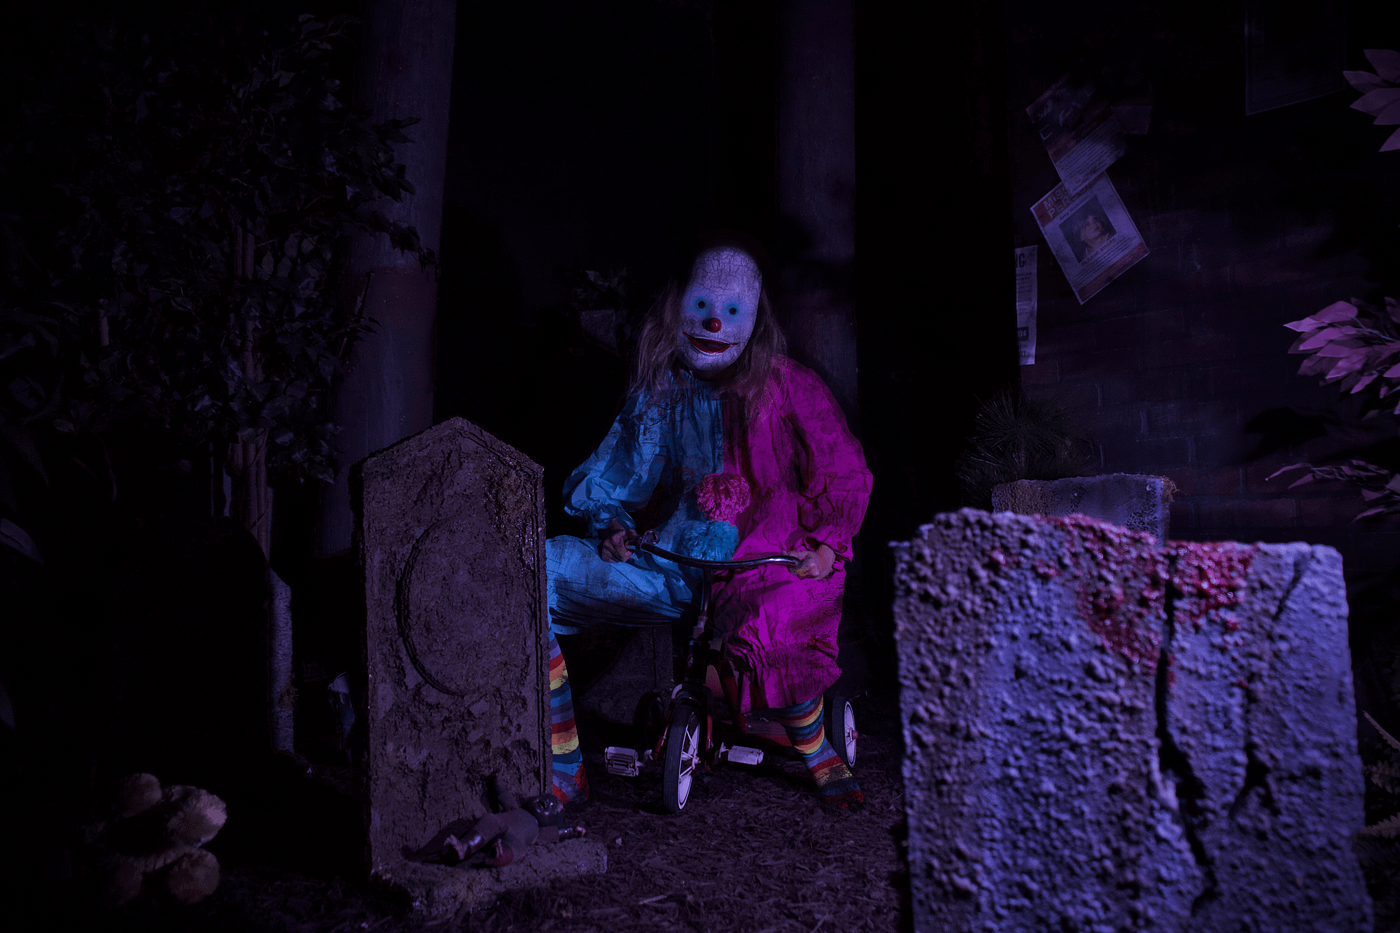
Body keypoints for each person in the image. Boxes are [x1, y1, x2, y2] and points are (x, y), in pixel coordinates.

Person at [545, 233, 871, 810]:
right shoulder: (662, 394)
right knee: (539, 577)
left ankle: (817, 748)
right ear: (678, 307)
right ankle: (564, 765)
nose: (714, 324)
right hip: (674, 564)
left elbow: (841, 469)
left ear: (755, 319)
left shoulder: (791, 389)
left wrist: (825, 546)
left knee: (778, 621)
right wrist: (611, 524)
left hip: (765, 562)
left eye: (732, 311)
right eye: (701, 306)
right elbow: (616, 474)